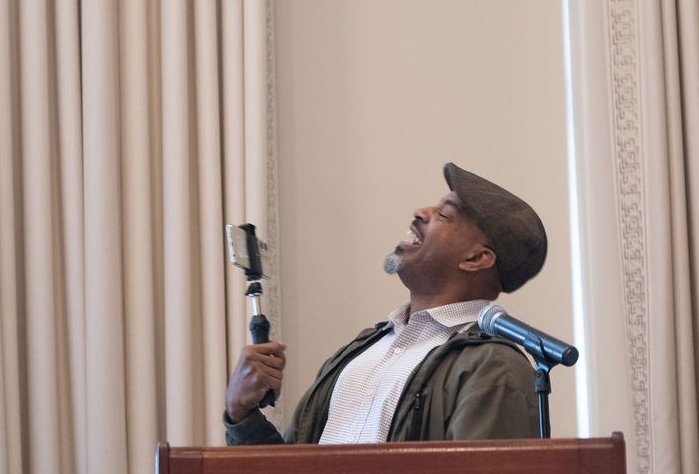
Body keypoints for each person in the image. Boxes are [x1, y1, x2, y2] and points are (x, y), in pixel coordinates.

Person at [223, 163, 548, 446]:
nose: (420, 212)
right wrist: (241, 414)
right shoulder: (359, 351)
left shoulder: (495, 366)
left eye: (443, 215)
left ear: (476, 258)